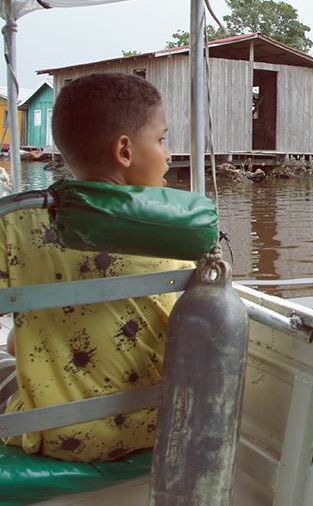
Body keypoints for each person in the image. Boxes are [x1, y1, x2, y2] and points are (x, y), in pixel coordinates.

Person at [0, 72, 190, 463]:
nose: (168, 154)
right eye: (161, 139)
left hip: (51, 435)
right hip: (151, 428)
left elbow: (15, 341)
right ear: (124, 150)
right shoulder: (173, 230)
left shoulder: (14, 223)